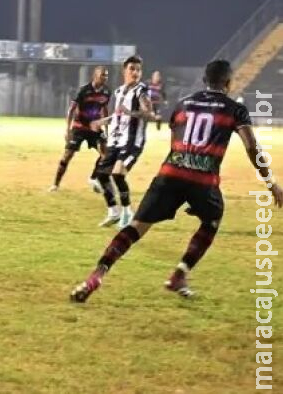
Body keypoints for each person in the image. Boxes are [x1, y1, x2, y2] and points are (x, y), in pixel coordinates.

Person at [71, 60, 283, 302]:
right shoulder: (234, 109)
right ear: (228, 83)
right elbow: (252, 147)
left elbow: (176, 139)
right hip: (202, 179)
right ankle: (179, 275)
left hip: (170, 173)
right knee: (212, 220)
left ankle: (96, 275)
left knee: (136, 227)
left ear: (205, 80)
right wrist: (271, 183)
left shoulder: (184, 104)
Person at [94, 56, 160, 228]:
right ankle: (114, 211)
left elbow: (149, 114)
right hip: (115, 141)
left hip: (132, 142)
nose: (135, 72)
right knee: (101, 175)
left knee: (117, 174)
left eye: (138, 69)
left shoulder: (141, 91)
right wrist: (102, 121)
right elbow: (118, 115)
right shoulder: (119, 91)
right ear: (125, 71)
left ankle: (128, 212)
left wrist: (130, 112)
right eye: (132, 69)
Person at [49, 66, 110, 192]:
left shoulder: (106, 92)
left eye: (106, 75)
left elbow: (104, 109)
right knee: (67, 155)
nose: (105, 78)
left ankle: (94, 178)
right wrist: (68, 129)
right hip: (80, 127)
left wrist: (106, 129)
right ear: (95, 76)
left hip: (94, 128)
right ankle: (55, 184)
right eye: (102, 75)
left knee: (106, 154)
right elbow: (71, 109)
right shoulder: (83, 90)